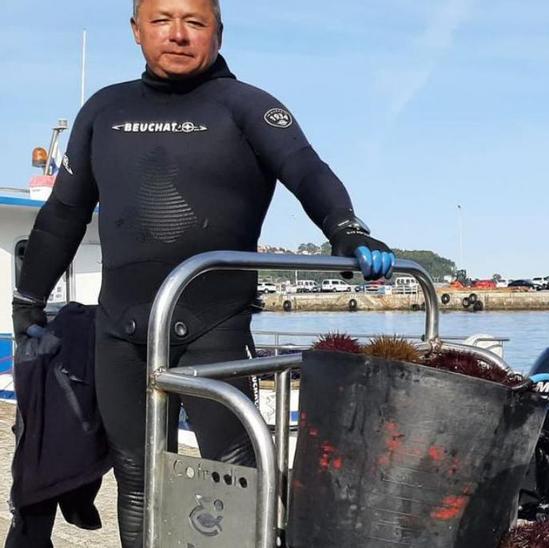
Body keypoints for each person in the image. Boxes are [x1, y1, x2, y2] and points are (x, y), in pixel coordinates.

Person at [9, 0, 395, 545]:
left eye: (195, 22)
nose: (178, 35)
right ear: (136, 30)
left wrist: (348, 230)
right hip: (120, 331)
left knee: (234, 478)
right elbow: (64, 214)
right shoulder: (104, 109)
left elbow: (307, 170)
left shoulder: (246, 106)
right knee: (137, 480)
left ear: (217, 32)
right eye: (162, 20)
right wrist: (28, 299)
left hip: (214, 327)